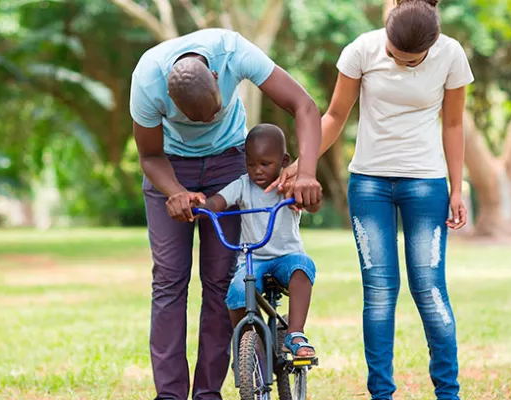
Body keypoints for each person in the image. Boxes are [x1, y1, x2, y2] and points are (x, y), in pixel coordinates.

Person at [268, 0, 473, 398]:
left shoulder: (451, 54)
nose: (404, 64)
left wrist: (457, 188)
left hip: (425, 183)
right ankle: (382, 393)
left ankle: (448, 393)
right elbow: (335, 116)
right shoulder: (362, 50)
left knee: (429, 289)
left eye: (414, 61)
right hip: (369, 185)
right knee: (379, 292)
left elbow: (453, 123)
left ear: (432, 43)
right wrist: (304, 164)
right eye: (396, 57)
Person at [129, 28, 323, 400]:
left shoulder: (233, 51)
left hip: (231, 165)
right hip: (169, 166)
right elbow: (150, 156)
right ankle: (169, 394)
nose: (206, 123)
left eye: (213, 112)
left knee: (222, 281)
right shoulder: (147, 79)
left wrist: (308, 171)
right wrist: (177, 193)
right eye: (194, 118)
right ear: (167, 98)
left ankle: (208, 393)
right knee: (169, 281)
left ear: (218, 77)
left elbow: (305, 106)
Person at [197, 124, 319, 358]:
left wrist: (311, 197)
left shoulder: (288, 187)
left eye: (265, 164)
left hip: (287, 256)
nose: (257, 171)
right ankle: (252, 347)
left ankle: (295, 333)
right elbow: (218, 202)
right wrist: (202, 207)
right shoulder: (242, 185)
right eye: (251, 164)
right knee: (236, 293)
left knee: (303, 267)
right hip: (253, 259)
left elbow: (312, 205)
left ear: (283, 160)